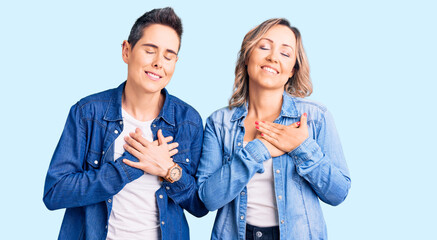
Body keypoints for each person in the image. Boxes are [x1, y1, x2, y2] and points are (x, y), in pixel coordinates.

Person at [43, 7, 207, 240]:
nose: (159, 63)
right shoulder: (87, 113)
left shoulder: (187, 121)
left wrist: (168, 170)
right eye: (150, 51)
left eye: (169, 56)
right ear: (126, 51)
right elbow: (54, 192)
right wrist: (127, 168)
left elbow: (199, 206)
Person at [197, 18, 351, 240]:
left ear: (292, 71)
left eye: (285, 54)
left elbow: (338, 193)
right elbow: (208, 199)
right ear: (248, 56)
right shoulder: (219, 123)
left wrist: (301, 147)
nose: (273, 57)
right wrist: (258, 150)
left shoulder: (316, 118)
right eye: (264, 47)